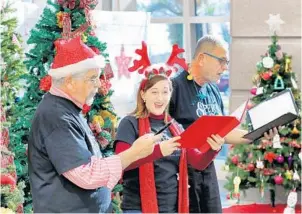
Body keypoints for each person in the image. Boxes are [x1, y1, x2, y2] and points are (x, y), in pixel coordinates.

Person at [28, 37, 161, 213]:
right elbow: (86, 174)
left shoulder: (66, 109)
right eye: (92, 78)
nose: (99, 84)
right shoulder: (57, 116)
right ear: (69, 81)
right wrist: (134, 153)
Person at [169, 35, 278, 213]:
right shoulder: (174, 88)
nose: (225, 67)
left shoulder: (212, 89)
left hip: (207, 172)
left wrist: (257, 134)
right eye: (221, 61)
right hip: (182, 176)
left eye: (226, 62)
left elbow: (224, 133)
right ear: (202, 58)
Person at [114, 42, 225, 213]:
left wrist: (212, 150)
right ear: (143, 94)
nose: (160, 98)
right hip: (138, 209)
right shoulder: (129, 123)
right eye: (154, 92)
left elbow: (197, 162)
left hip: (172, 208)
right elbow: (120, 164)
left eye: (165, 92)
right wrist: (158, 151)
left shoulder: (175, 127)